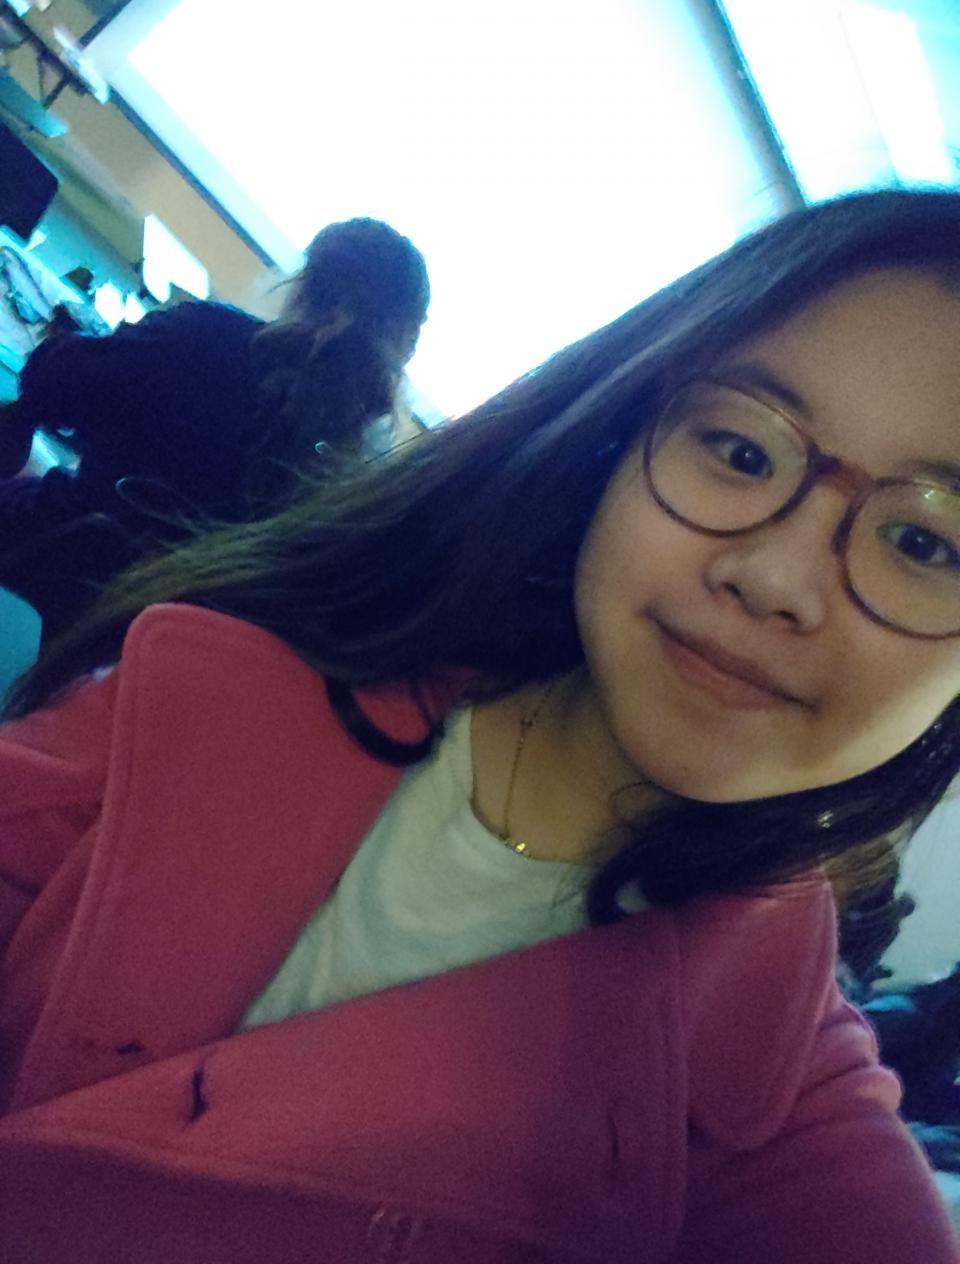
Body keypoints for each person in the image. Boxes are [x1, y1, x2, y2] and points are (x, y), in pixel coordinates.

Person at [0, 187, 958, 1262]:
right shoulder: (236, 676)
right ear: (626, 429)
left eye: (924, 543)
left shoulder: (774, 1100)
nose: (775, 577)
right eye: (741, 452)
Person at [0, 215, 430, 542]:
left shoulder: (208, 333)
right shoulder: (354, 482)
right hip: (137, 622)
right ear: (405, 347)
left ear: (304, 284)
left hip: (48, 552)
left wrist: (76, 343)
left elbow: (52, 382)